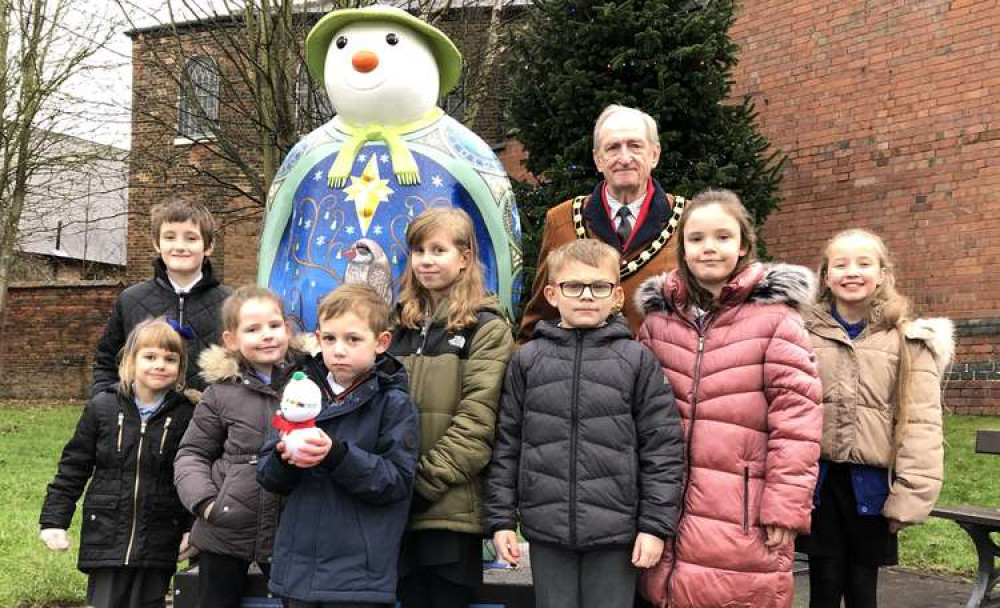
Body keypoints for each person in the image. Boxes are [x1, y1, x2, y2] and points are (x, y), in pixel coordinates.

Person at [635, 188, 823, 608]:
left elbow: (797, 420)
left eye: (722, 237)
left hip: (743, 508)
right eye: (697, 238)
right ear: (682, 247)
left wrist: (786, 505)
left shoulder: (776, 320)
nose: (709, 248)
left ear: (742, 245)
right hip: (668, 505)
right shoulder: (657, 322)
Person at [487, 238, 684, 608]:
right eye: (573, 286)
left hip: (616, 535)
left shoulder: (637, 361)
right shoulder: (527, 361)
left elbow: (663, 449)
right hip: (547, 532)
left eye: (599, 286)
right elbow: (507, 444)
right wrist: (500, 521)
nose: (587, 296)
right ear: (552, 293)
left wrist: (655, 527)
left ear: (616, 296)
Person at [796, 229, 953, 608]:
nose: (853, 272)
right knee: (824, 583)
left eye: (864, 263)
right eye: (841, 264)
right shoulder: (801, 334)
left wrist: (910, 496)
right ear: (826, 276)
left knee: (863, 587)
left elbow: (922, 424)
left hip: (871, 489)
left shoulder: (908, 342)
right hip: (820, 486)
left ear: (882, 274)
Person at [256, 284, 420, 608]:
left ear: (381, 343)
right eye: (329, 339)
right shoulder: (301, 391)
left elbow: (396, 481)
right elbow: (267, 475)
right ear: (318, 338)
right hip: (297, 572)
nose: (339, 350)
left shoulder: (394, 403)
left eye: (353, 339)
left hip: (358, 577)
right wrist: (285, 456)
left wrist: (337, 456)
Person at [388, 207, 514, 608]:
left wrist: (421, 486)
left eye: (438, 249)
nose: (426, 260)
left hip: (449, 510)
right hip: (396, 505)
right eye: (418, 250)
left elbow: (478, 423)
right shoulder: (397, 324)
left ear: (464, 257)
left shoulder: (487, 326)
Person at [40, 319, 195, 608]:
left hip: (160, 534)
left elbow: (191, 475)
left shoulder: (187, 414)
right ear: (130, 360)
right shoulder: (103, 407)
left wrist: (191, 527)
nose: (159, 365)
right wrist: (54, 520)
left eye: (170, 359)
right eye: (150, 357)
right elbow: (74, 467)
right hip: (106, 533)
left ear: (180, 367)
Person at [174, 285, 303, 608]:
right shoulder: (221, 393)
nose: (267, 335)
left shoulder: (310, 381)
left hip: (290, 527)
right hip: (225, 529)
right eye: (253, 329)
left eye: (274, 326)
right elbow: (192, 453)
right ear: (232, 340)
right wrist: (206, 503)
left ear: (287, 329)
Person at [518, 104, 687, 340]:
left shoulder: (689, 220)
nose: (625, 158)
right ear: (598, 159)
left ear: (654, 154)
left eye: (635, 146)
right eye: (613, 148)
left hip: (661, 373)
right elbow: (540, 318)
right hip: (581, 373)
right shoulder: (562, 219)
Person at [92, 200, 231, 396]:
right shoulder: (130, 300)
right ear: (157, 243)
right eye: (170, 237)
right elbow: (106, 364)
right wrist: (106, 407)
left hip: (212, 420)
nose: (180, 246)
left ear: (208, 246)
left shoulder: (231, 303)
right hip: (144, 421)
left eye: (191, 238)